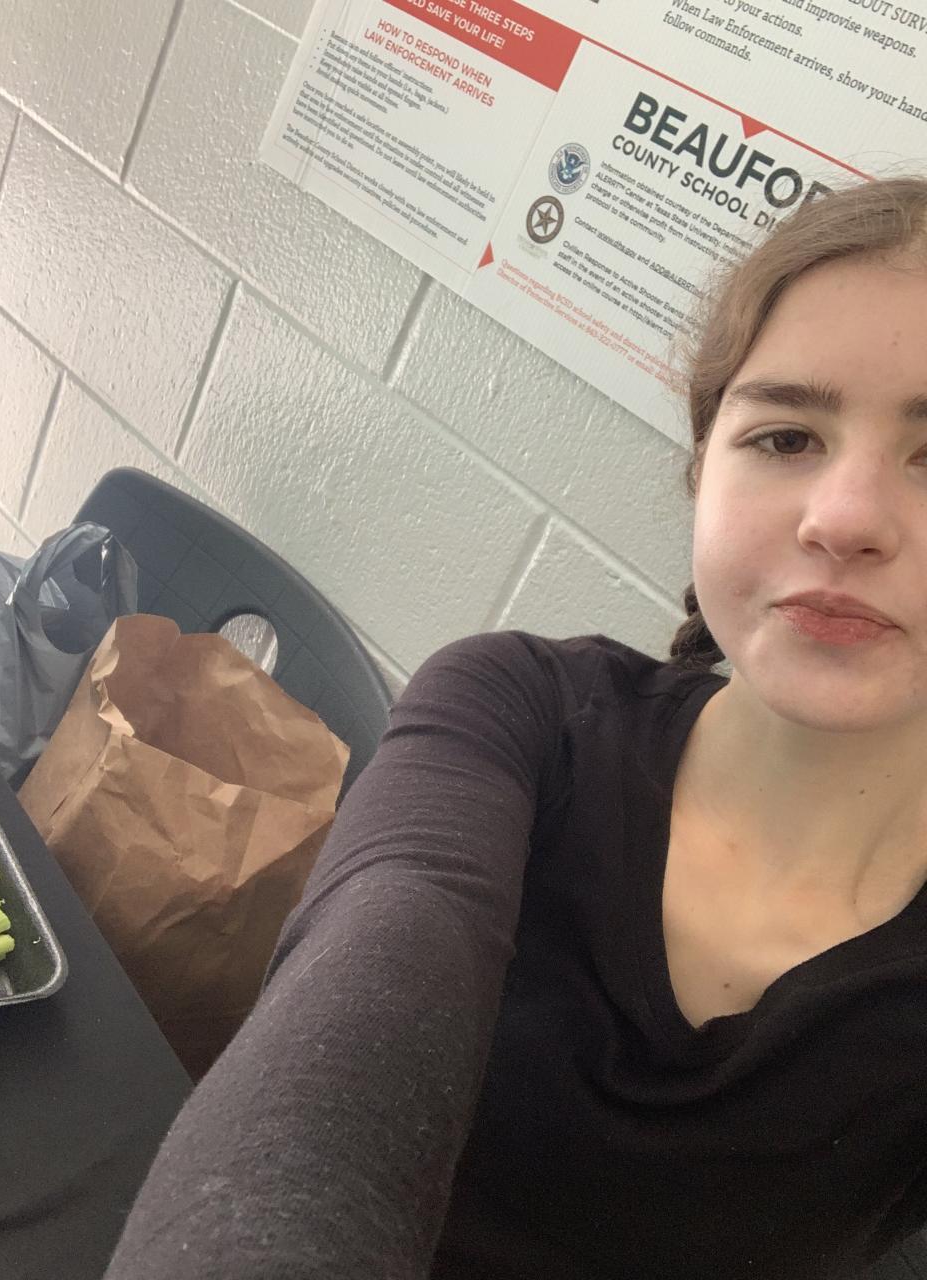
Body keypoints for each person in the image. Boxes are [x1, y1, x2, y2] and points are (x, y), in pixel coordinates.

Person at [102, 175, 927, 1280]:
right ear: (703, 470)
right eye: (785, 437)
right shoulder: (517, 711)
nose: (845, 517)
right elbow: (370, 983)